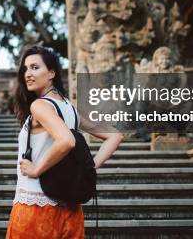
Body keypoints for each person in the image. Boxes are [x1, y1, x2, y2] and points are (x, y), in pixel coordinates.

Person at [6, 45, 123, 238]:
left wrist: (36, 170)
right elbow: (114, 136)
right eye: (25, 69)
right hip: (71, 210)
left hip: (35, 207)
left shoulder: (40, 105)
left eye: (35, 67)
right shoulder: (69, 108)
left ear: (51, 73)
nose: (28, 74)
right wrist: (90, 166)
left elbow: (66, 140)